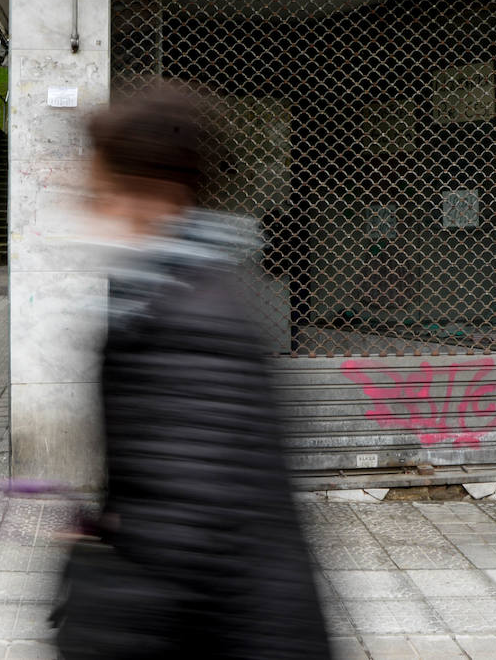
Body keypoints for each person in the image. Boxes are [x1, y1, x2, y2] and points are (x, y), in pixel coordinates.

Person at [53, 81, 330, 660]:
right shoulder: (165, 301)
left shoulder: (185, 326)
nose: (86, 210)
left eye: (99, 194)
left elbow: (185, 540)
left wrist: (89, 598)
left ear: (154, 196)